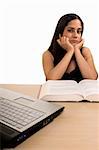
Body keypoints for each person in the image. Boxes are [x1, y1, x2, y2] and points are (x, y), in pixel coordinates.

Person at [42, 13, 98, 82]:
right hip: (58, 92)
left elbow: (93, 77)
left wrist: (77, 50)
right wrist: (70, 51)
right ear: (60, 33)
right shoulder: (48, 54)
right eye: (70, 30)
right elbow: (51, 78)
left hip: (81, 92)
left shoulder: (85, 51)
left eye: (79, 31)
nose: (75, 35)